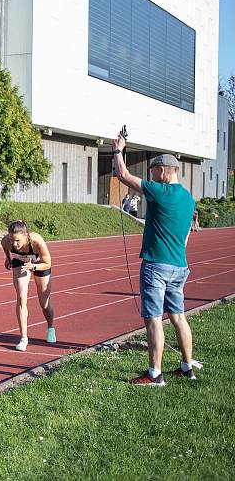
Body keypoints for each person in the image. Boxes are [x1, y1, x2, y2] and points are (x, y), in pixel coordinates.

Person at [112, 130, 197, 385]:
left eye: (152, 171)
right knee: (179, 317)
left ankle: (155, 374)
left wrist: (118, 150)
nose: (151, 176)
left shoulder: (160, 191)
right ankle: (186, 367)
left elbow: (123, 175)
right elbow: (185, 237)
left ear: (163, 170)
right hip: (179, 264)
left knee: (153, 319)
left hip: (156, 265)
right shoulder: (189, 198)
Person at [1, 220, 57, 352]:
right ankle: (23, 338)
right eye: (12, 240)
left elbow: (48, 263)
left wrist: (33, 266)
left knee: (44, 303)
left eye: (18, 241)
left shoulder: (37, 241)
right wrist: (8, 259)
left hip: (39, 263)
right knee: (21, 297)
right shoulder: (7, 241)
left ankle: (50, 327)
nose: (14, 244)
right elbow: (4, 246)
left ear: (26, 236)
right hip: (21, 263)